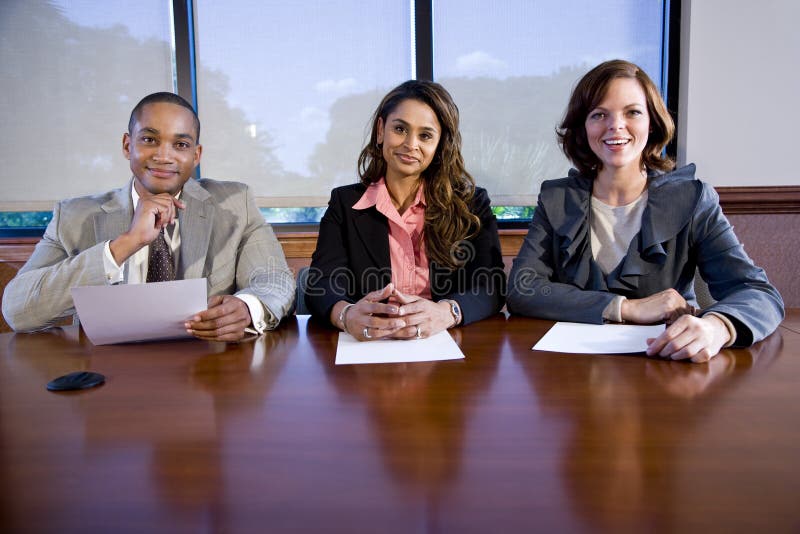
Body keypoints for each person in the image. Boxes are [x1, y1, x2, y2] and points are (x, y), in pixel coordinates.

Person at [507, 60, 783, 362]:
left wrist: (716, 328)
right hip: (573, 372)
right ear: (583, 127)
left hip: (668, 368)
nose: (616, 126)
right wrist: (626, 307)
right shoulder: (557, 198)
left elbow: (759, 294)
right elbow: (523, 289)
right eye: (599, 114)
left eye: (632, 112)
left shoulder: (692, 198)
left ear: (652, 122)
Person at [2, 92, 294, 341]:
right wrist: (124, 244)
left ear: (196, 154)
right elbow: (18, 310)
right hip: (111, 377)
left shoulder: (235, 205)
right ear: (128, 145)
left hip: (208, 371)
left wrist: (247, 307)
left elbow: (275, 280)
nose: (164, 156)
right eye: (150, 140)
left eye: (180, 145)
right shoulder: (74, 217)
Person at [306, 80, 505, 341]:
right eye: (400, 129)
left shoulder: (471, 203)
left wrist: (447, 312)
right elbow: (321, 285)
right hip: (370, 347)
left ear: (439, 145)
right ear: (381, 131)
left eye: (425, 135)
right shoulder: (344, 204)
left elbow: (491, 285)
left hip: (446, 342)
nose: (411, 144)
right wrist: (347, 315)